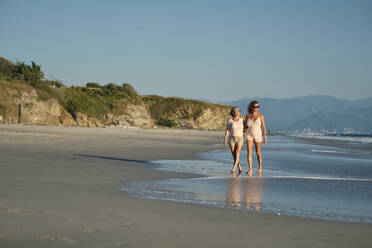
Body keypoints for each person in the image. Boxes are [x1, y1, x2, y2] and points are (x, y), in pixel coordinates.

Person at [244, 101, 268, 176]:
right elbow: (244, 128)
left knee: (258, 152)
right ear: (251, 107)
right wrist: (247, 126)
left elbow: (264, 127)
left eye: (257, 107)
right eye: (255, 107)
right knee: (249, 152)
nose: (256, 108)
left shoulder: (260, 116)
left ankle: (260, 167)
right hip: (249, 134)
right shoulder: (247, 116)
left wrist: (265, 137)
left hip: (257, 134)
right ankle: (250, 169)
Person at [224, 106, 244, 173]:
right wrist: (225, 138)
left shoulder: (242, 120)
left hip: (240, 138)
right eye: (236, 111)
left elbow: (248, 125)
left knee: (237, 153)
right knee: (234, 155)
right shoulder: (230, 121)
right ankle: (239, 167)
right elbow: (227, 130)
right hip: (232, 138)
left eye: (238, 110)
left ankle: (234, 168)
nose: (238, 112)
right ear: (233, 112)